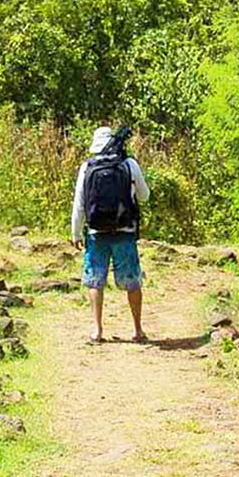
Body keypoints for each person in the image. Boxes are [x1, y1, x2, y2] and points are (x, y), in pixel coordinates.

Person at [70, 126, 150, 343]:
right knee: (132, 282)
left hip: (96, 233)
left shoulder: (87, 167)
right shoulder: (129, 164)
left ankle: (97, 330)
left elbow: (79, 203)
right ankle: (137, 330)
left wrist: (75, 232)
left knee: (95, 281)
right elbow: (144, 196)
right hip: (125, 231)